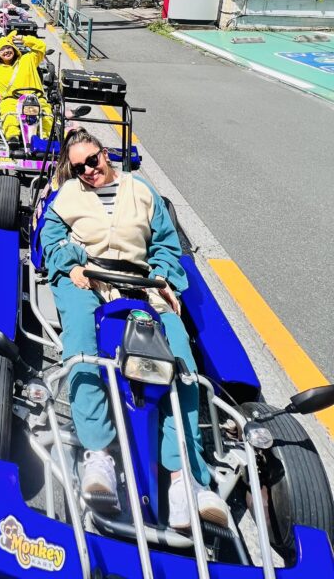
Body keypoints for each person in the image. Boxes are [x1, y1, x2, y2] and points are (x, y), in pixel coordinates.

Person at [39, 128, 230, 530]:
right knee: (83, 349)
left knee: (180, 363)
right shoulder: (67, 198)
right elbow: (50, 240)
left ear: (104, 154)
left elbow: (164, 244)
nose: (89, 171)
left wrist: (163, 277)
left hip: (142, 285)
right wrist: (72, 262)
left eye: (93, 160)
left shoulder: (142, 191)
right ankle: (99, 457)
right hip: (88, 281)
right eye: (78, 168)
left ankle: (183, 480)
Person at [0, 30, 53, 144]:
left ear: (14, 49)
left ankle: (45, 138)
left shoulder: (28, 59)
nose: (6, 51)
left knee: (47, 114)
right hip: (12, 100)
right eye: (2, 50)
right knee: (9, 114)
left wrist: (22, 38)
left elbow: (41, 46)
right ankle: (13, 138)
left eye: (9, 48)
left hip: (36, 98)